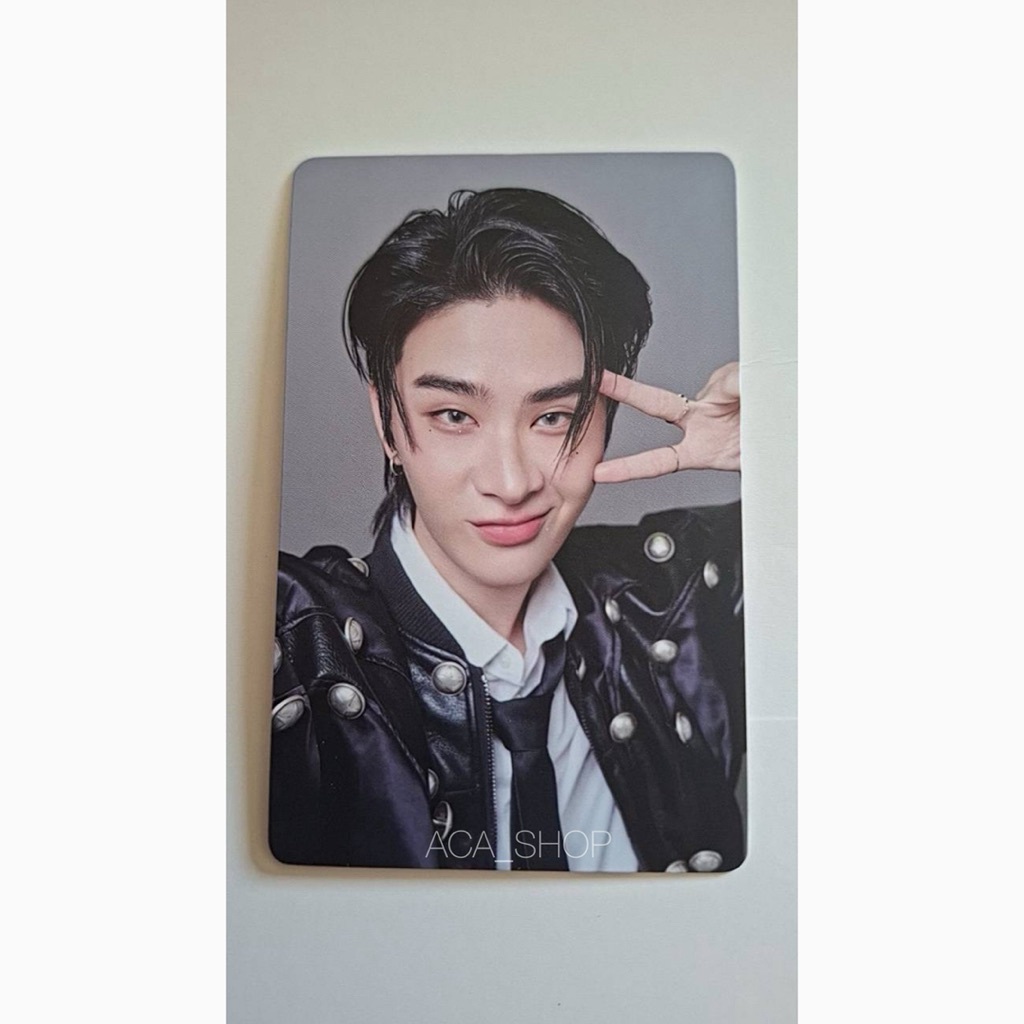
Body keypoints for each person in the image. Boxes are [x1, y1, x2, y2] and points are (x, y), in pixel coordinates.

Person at [270, 188, 744, 872]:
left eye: (553, 417)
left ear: (606, 418)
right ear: (387, 422)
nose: (511, 481)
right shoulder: (290, 642)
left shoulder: (677, 599)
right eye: (453, 416)